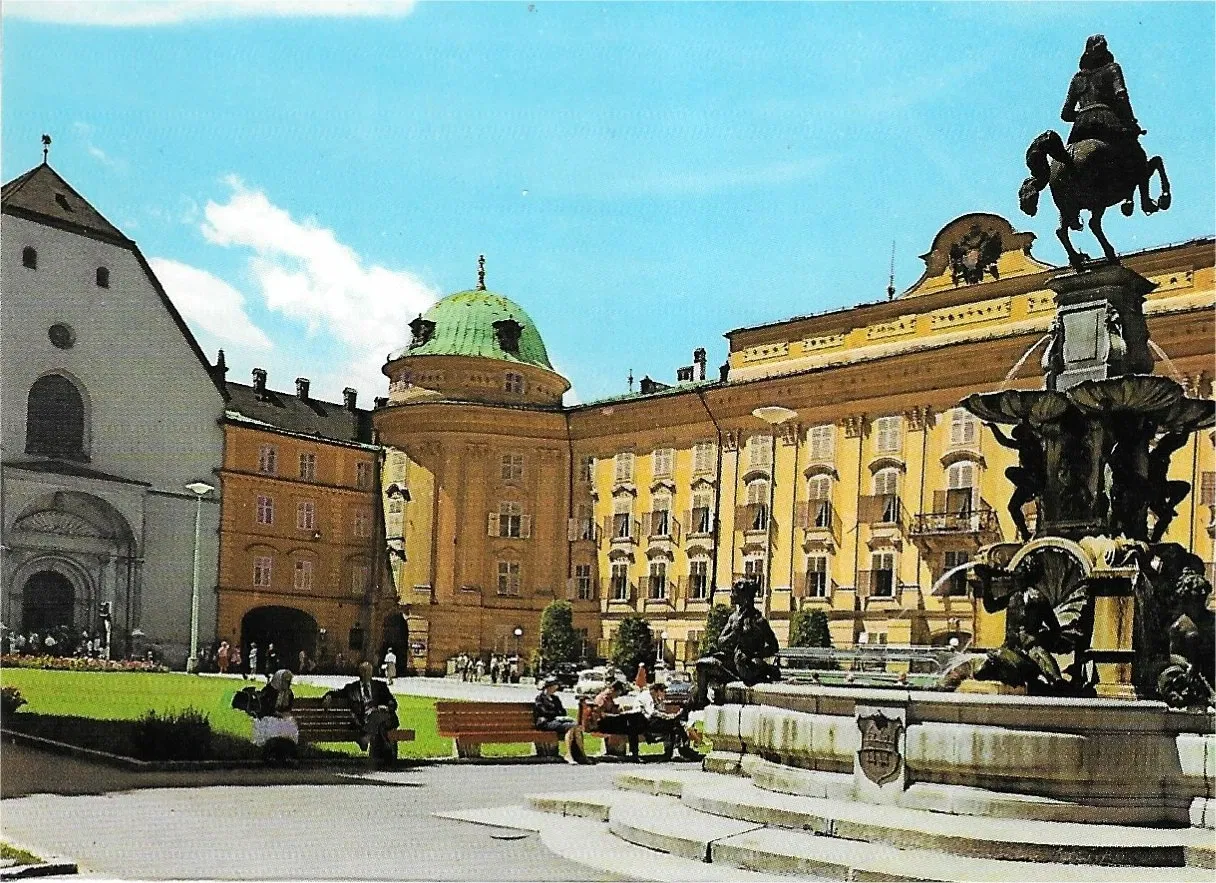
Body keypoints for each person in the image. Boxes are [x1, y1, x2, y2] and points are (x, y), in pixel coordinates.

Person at [341, 661, 400, 766]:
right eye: (364, 671)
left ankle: (366, 738)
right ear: (360, 673)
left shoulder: (380, 686)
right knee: (378, 721)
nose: (366, 674)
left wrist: (387, 706)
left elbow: (393, 702)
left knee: (376, 714)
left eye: (368, 671)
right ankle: (382, 748)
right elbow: (337, 693)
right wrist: (328, 696)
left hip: (382, 716)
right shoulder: (352, 688)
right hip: (365, 720)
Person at [533, 676, 589, 765]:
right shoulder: (540, 698)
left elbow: (562, 711)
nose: (555, 689)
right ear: (549, 687)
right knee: (571, 727)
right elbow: (543, 712)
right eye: (554, 686)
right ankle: (568, 754)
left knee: (576, 726)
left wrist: (559, 715)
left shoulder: (555, 698)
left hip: (557, 721)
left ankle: (581, 754)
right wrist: (556, 714)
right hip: (546, 722)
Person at [587, 678, 644, 761]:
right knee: (631, 728)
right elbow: (600, 715)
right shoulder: (603, 699)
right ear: (613, 690)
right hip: (602, 724)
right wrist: (617, 716)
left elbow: (612, 710)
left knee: (632, 725)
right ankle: (633, 754)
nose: (617, 696)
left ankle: (633, 753)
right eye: (617, 694)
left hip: (608, 723)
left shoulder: (608, 698)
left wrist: (620, 710)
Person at [255, 669, 299, 765]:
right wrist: (276, 713)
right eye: (285, 681)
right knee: (274, 727)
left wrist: (284, 713)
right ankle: (271, 753)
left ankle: (286, 754)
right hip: (268, 718)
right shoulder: (268, 691)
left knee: (289, 725)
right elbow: (264, 708)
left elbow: (288, 707)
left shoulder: (288, 693)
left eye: (288, 681)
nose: (287, 683)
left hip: (282, 718)